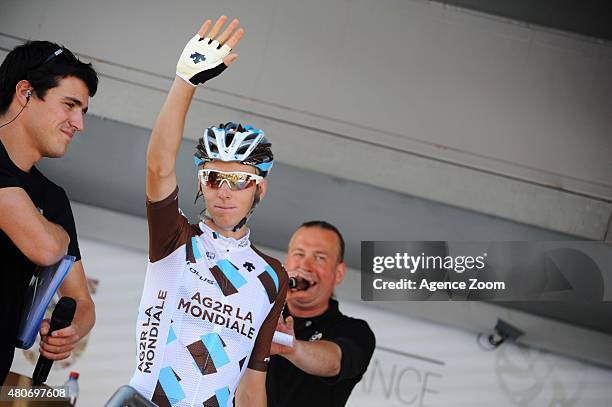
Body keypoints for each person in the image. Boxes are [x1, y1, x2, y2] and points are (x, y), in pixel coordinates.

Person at [129, 16, 287, 407]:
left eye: (241, 181)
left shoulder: (272, 277)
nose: (225, 192)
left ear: (260, 189)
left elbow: (252, 388)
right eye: (214, 178)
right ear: (200, 183)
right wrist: (185, 82)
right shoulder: (175, 239)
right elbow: (158, 167)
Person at [0, 41, 98, 383]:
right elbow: (45, 247)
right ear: (26, 93)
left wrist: (71, 330)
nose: (79, 123)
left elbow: (81, 300)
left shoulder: (52, 198)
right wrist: (60, 235)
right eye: (69, 105)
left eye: (83, 111)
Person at [266, 221, 376, 407]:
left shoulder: (355, 331)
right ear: (286, 261)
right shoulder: (260, 309)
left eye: (319, 258)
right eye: (299, 254)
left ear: (339, 273)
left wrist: (293, 348)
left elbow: (334, 362)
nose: (305, 265)